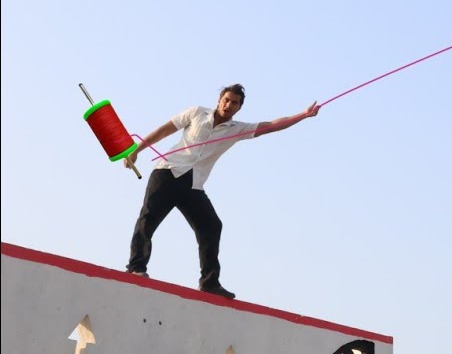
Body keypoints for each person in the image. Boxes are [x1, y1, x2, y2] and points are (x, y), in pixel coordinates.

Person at [123, 84, 319, 298]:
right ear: (219, 100)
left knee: (211, 226)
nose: (228, 104)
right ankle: (136, 267)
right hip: (168, 172)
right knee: (148, 218)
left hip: (193, 184)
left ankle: (209, 283)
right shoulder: (196, 112)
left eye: (234, 102)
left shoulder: (237, 129)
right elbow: (164, 130)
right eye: (226, 100)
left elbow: (271, 125)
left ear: (239, 107)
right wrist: (135, 151)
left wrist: (303, 115)